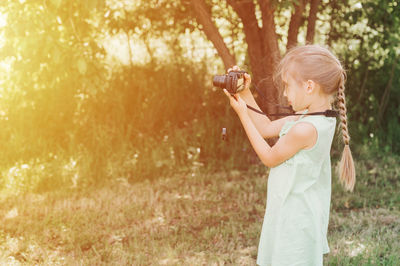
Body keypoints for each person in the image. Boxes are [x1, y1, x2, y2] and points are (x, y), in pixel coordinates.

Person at [222, 44, 356, 266]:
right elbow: (265, 128)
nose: (284, 93)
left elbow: (269, 157)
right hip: (290, 213)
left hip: (295, 222)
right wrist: (245, 92)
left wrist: (242, 115)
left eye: (287, 86)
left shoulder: (305, 128)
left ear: (309, 86)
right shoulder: (314, 118)